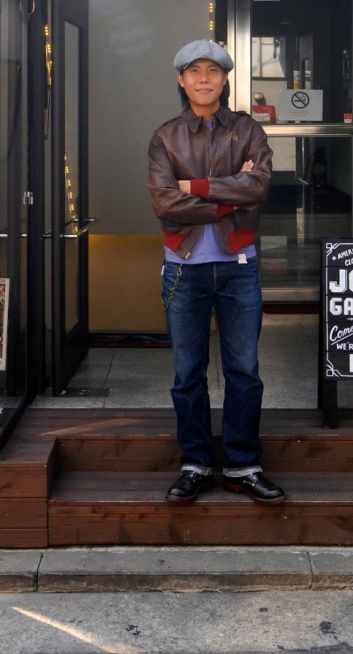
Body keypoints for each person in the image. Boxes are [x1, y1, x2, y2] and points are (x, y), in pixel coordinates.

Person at [148, 39, 285, 506]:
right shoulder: (165, 136)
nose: (204, 78)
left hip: (238, 266)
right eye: (194, 71)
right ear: (181, 79)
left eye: (213, 70)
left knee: (244, 371)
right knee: (188, 373)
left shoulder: (248, 130)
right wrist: (230, 196)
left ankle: (244, 465)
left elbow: (260, 186)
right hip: (183, 269)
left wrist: (196, 188)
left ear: (225, 79)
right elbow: (165, 202)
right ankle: (195, 463)